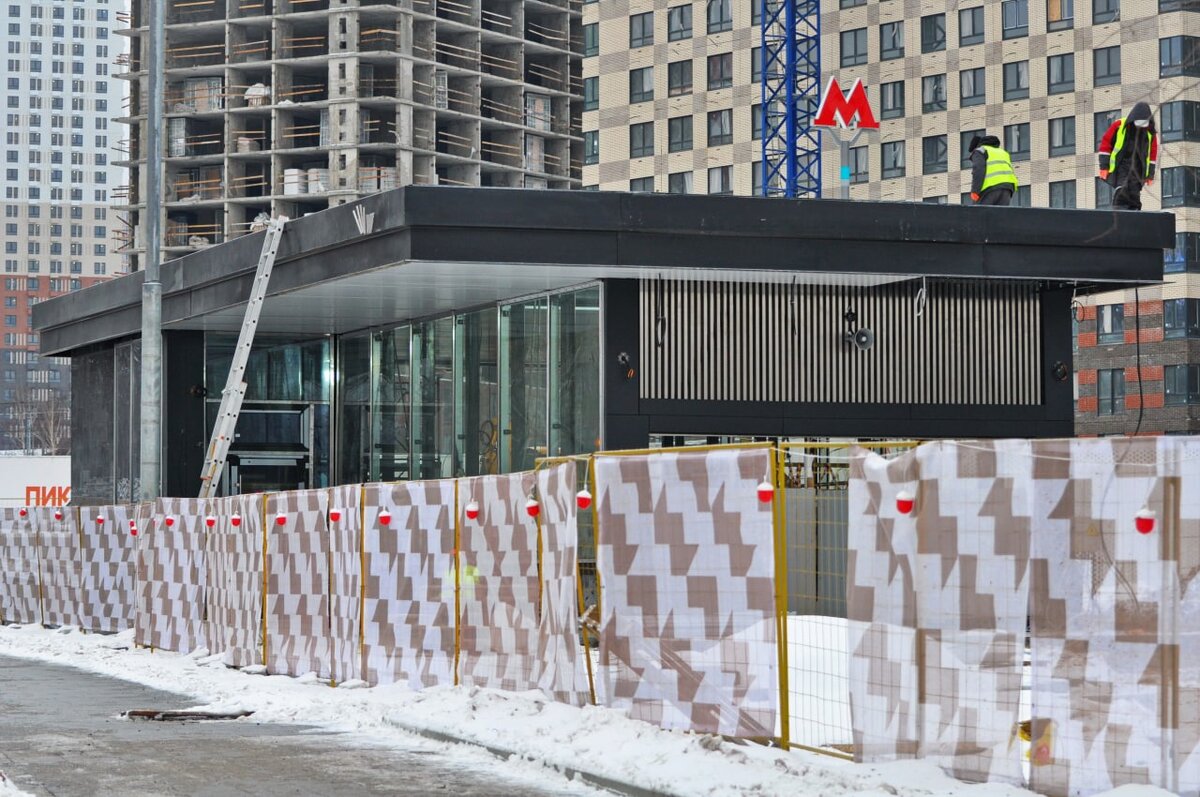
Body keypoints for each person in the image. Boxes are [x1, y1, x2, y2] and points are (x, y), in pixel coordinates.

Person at [1098, 101, 1158, 211]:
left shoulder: (1150, 133)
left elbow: (1152, 155)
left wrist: (1150, 175)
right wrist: (1104, 166)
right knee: (1122, 188)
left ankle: (1134, 211)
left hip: (1139, 167)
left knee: (1134, 192)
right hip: (1121, 163)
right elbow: (1106, 144)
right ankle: (1119, 210)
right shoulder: (1119, 125)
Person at [967, 134, 1018, 206]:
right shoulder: (1003, 152)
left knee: (981, 215)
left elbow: (978, 170)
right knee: (1000, 216)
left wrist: (975, 191)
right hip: (1007, 188)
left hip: (989, 189)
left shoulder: (979, 151)